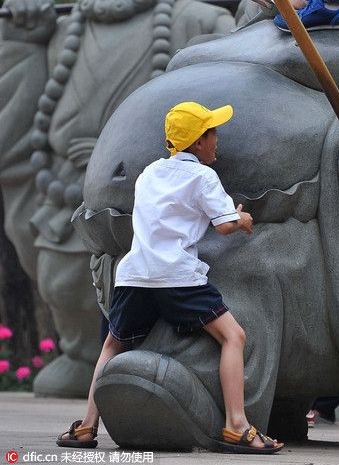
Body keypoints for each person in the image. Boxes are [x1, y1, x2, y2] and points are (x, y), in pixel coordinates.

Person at [0, 0, 234, 397]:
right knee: (62, 282)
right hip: (63, 189)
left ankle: (156, 364)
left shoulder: (191, 20)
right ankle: (81, 351)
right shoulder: (66, 29)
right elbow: (21, 105)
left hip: (148, 193)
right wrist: (22, 35)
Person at [56, 100, 283, 455]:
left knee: (113, 346)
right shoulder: (204, 176)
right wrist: (243, 219)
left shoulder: (149, 173)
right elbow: (224, 226)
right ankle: (236, 425)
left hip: (135, 276)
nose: (217, 139)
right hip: (177, 277)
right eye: (212, 132)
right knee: (233, 337)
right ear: (198, 143)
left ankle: (86, 426)